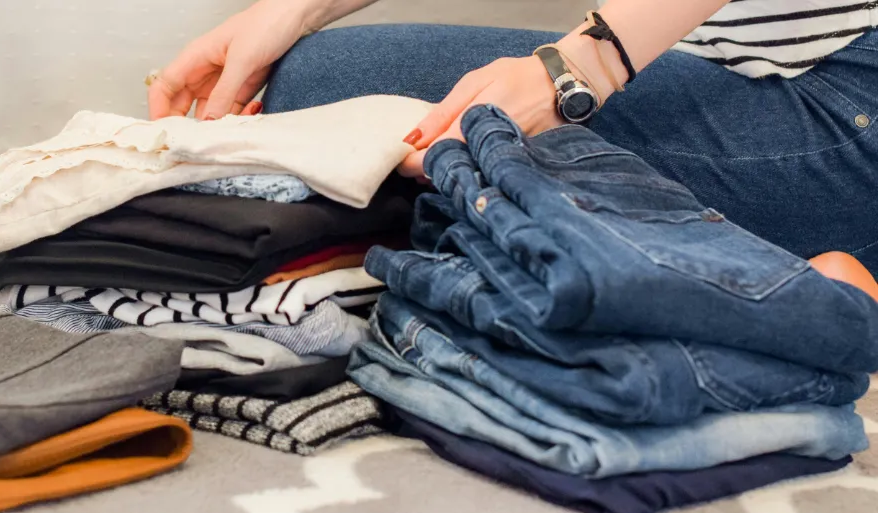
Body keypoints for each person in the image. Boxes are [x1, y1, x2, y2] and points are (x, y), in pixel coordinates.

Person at [147, 0, 878, 295]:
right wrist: (293, 10)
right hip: (742, 74)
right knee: (308, 77)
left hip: (844, 103)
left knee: (321, 89)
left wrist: (582, 67)